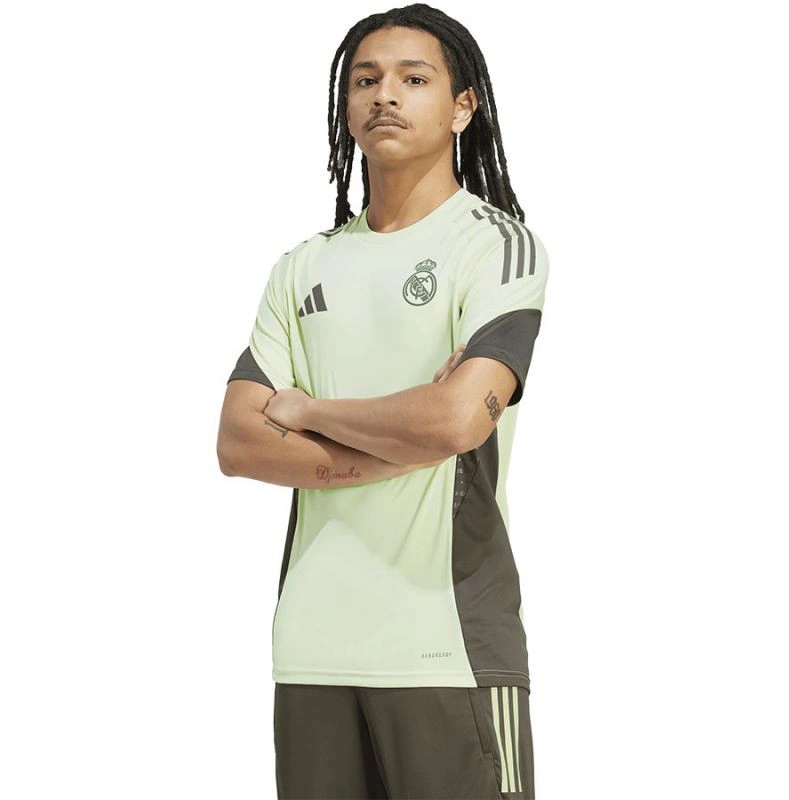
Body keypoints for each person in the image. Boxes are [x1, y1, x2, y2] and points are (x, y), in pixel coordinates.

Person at [216, 4, 550, 798]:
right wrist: (404, 438)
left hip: (447, 645)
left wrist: (308, 411)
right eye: (365, 80)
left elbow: (457, 419)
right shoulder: (302, 268)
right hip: (312, 651)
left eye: (413, 78)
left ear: (463, 106)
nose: (384, 95)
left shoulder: (495, 246)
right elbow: (237, 443)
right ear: (346, 107)